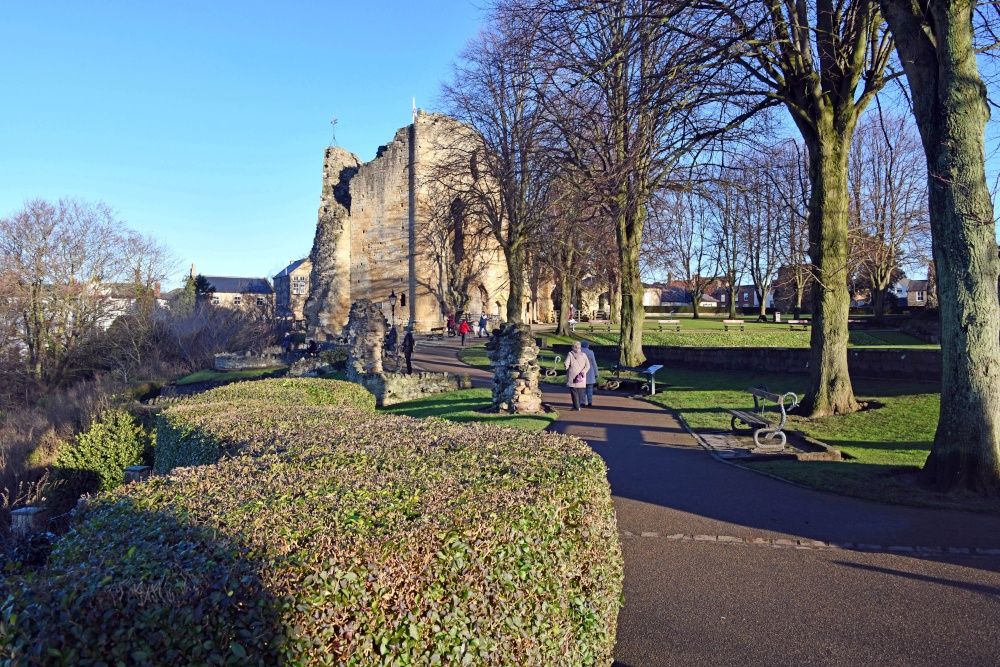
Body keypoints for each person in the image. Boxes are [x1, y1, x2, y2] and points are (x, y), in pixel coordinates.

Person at [564, 340, 591, 411]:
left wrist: (566, 367)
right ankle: (577, 405)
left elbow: (566, 363)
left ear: (573, 347)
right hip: (581, 376)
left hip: (572, 375)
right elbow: (588, 365)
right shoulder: (584, 355)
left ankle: (576, 407)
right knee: (580, 391)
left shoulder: (570, 354)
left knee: (574, 392)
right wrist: (583, 372)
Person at [580, 340, 598, 407]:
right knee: (590, 389)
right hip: (590, 372)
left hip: (582, 371)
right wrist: (596, 373)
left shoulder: (579, 352)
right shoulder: (591, 352)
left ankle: (582, 402)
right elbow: (594, 363)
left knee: (582, 389)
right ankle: (590, 402)